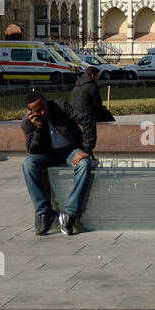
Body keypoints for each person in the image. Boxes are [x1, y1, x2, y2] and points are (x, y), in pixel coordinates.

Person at [21, 90, 95, 235]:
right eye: (38, 110)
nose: (43, 111)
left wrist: (86, 149)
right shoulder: (27, 123)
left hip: (70, 150)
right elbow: (33, 150)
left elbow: (87, 119)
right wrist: (38, 129)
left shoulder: (60, 105)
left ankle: (70, 214)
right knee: (28, 164)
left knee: (84, 163)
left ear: (45, 100)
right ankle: (44, 213)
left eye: (43, 106)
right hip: (47, 155)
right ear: (30, 112)